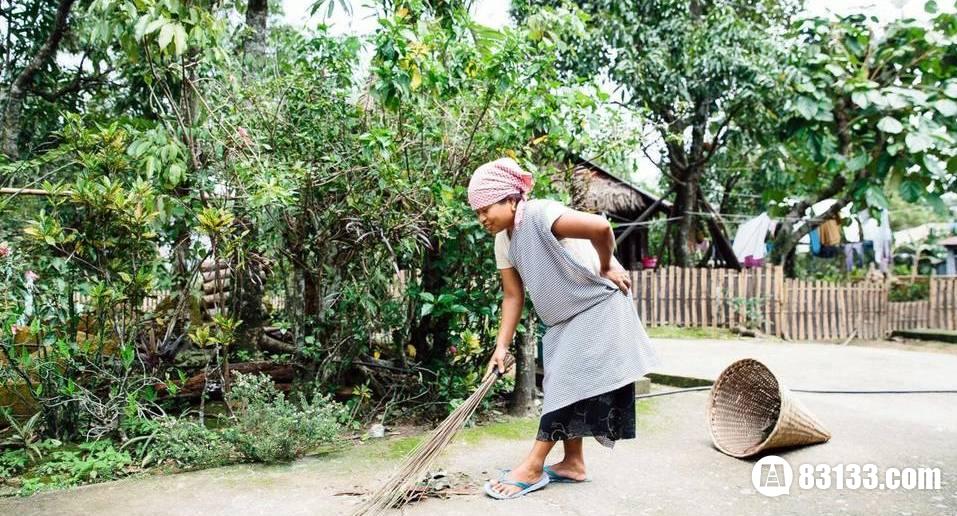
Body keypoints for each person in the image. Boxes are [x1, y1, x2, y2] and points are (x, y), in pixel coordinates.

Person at [468, 157, 661, 500]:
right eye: (477, 212)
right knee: (563, 381)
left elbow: (600, 228)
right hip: (562, 319)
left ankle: (533, 464)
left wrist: (605, 266)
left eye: (486, 209)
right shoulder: (504, 240)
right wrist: (501, 346)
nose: (482, 218)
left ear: (511, 199)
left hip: (596, 305)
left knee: (564, 383)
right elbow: (513, 296)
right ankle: (573, 462)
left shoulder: (542, 215)